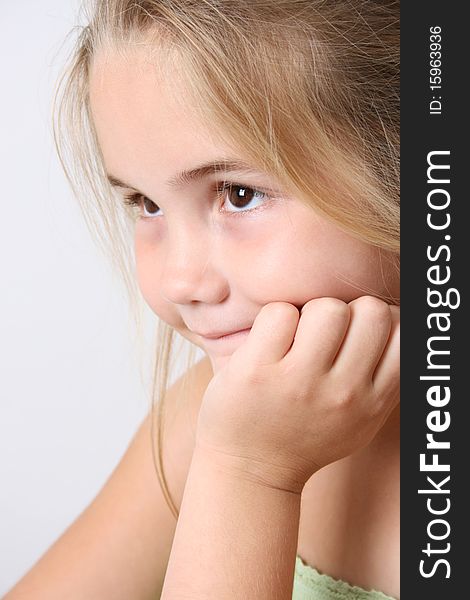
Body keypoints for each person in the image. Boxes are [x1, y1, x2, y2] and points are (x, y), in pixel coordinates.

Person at [5, 1, 400, 598]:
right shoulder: (218, 418)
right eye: (146, 204)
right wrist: (245, 469)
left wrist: (251, 472)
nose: (178, 282)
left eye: (238, 193)